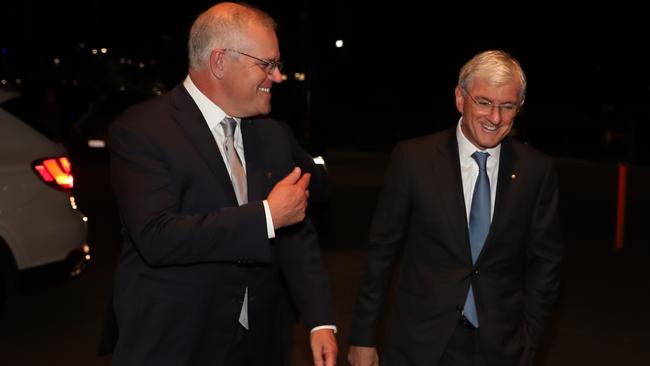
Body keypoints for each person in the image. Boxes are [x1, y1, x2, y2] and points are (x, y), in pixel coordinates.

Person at [107, 3, 337, 365]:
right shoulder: (142, 130)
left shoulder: (273, 135)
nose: (278, 77)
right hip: (176, 341)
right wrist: (265, 217)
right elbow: (156, 236)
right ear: (219, 62)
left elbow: (296, 234)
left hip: (262, 342)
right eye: (267, 64)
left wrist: (320, 320)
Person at [347, 50, 563, 366]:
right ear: (460, 98)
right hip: (420, 344)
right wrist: (363, 338)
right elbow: (382, 253)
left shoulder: (536, 170)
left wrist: (529, 342)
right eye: (484, 102)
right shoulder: (414, 159)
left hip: (501, 347)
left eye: (507, 106)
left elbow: (547, 262)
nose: (495, 118)